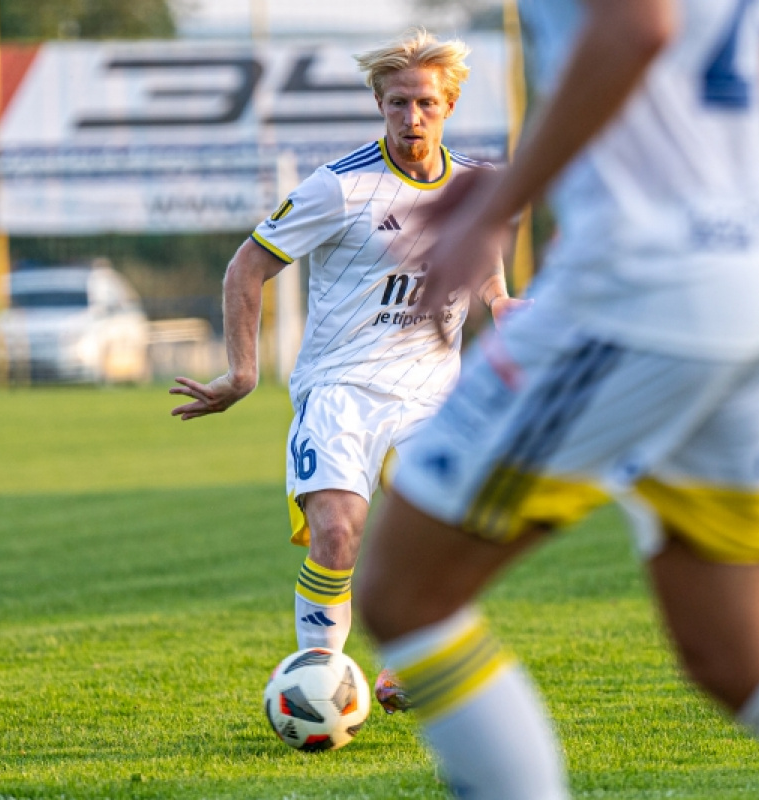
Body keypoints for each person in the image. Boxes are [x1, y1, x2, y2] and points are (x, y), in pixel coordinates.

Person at [356, 0, 759, 795]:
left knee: (403, 593)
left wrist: (492, 209)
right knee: (736, 652)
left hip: (641, 290)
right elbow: (749, 65)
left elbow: (638, 27)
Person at [169, 28, 521, 713]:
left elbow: (480, 256)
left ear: (448, 104)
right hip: (340, 386)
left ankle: (401, 669)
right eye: (396, 104)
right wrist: (243, 372)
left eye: (423, 103)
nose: (410, 118)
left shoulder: (478, 184)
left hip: (433, 392)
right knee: (337, 532)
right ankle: (320, 685)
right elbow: (248, 266)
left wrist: (500, 300)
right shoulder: (341, 187)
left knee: (440, 539)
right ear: (378, 104)